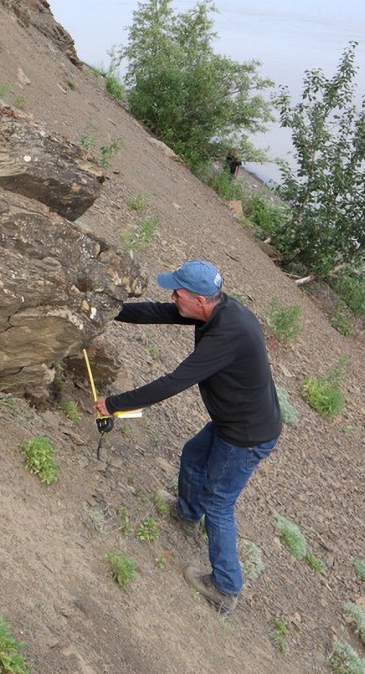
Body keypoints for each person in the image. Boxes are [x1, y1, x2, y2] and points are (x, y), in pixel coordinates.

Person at [93, 259, 282, 616]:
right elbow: (159, 311)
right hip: (237, 420)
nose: (172, 296)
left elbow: (173, 382)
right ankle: (186, 513)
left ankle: (225, 587)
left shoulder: (227, 334)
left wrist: (113, 404)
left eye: (178, 292)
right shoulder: (214, 309)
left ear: (199, 299)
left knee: (220, 502)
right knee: (194, 456)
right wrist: (111, 311)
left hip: (245, 435)